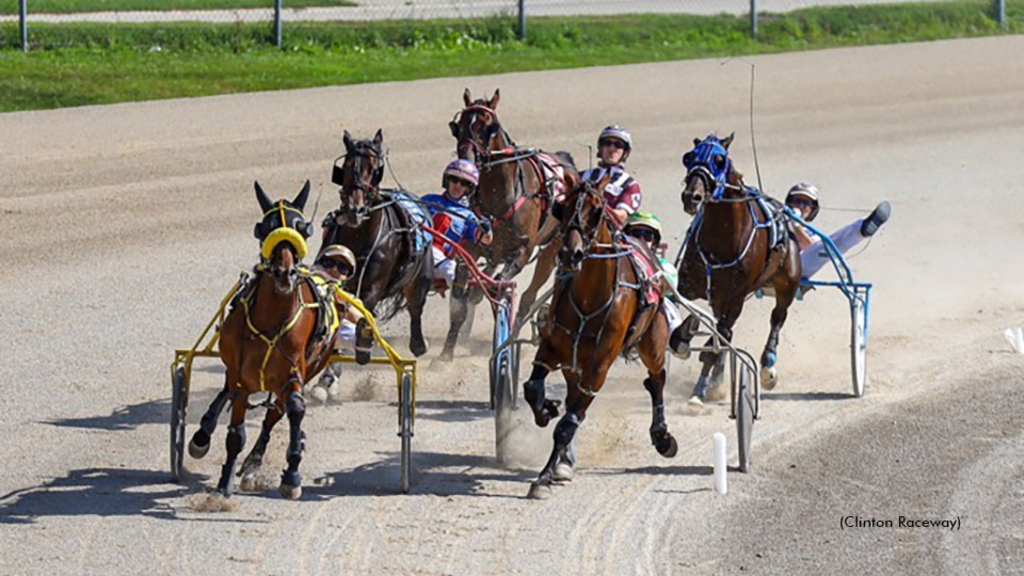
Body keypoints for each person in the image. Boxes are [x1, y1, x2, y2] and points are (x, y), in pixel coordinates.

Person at [785, 182, 891, 278]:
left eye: (806, 203)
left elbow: (813, 250)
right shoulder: (778, 222)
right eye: (797, 201)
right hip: (774, 264)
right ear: (789, 203)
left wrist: (797, 226)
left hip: (797, 268)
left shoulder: (811, 233)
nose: (800, 206)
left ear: (812, 209)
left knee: (827, 246)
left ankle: (861, 229)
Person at [421, 159, 493, 289]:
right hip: (415, 249)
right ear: (447, 180)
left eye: (464, 183)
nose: (458, 186)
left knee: (453, 270)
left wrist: (487, 230)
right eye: (454, 179)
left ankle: (458, 306)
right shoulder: (428, 200)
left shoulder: (468, 216)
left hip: (438, 260)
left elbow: (486, 240)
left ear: (469, 189)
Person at [623, 211, 687, 347]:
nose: (641, 239)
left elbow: (671, 286)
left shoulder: (662, 265)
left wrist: (656, 282)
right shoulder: (619, 263)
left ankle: (677, 336)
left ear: (654, 241)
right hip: (624, 306)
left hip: (653, 314)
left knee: (664, 304)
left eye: (647, 236)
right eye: (635, 234)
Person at [580, 125, 643, 229]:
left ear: (625, 152)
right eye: (607, 143)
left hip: (609, 236)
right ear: (600, 148)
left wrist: (597, 210)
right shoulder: (582, 176)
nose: (611, 148)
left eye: (618, 145)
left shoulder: (630, 185)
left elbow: (621, 216)